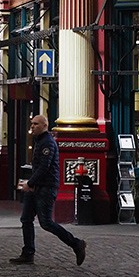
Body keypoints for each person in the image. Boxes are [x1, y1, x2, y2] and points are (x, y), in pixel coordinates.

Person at [10, 114, 86, 266]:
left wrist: (30, 183)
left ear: (45, 126)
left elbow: (44, 167)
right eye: (31, 123)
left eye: (36, 124)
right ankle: (28, 253)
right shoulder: (38, 141)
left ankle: (76, 243)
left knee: (46, 223)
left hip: (46, 187)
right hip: (36, 187)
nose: (32, 126)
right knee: (26, 219)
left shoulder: (47, 143)